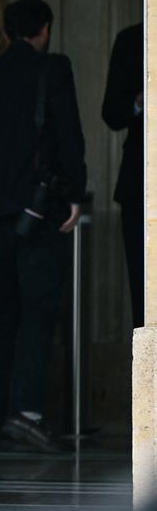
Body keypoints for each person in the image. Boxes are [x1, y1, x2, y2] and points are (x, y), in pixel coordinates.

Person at [0, 0, 86, 453]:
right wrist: (72, 194)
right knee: (37, 312)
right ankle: (26, 414)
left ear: (7, 32)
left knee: (3, 313)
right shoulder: (54, 70)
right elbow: (69, 137)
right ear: (44, 29)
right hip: (37, 213)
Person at [102, 22, 143, 328]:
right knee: (143, 291)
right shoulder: (131, 39)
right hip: (140, 184)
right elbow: (112, 113)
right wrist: (139, 102)